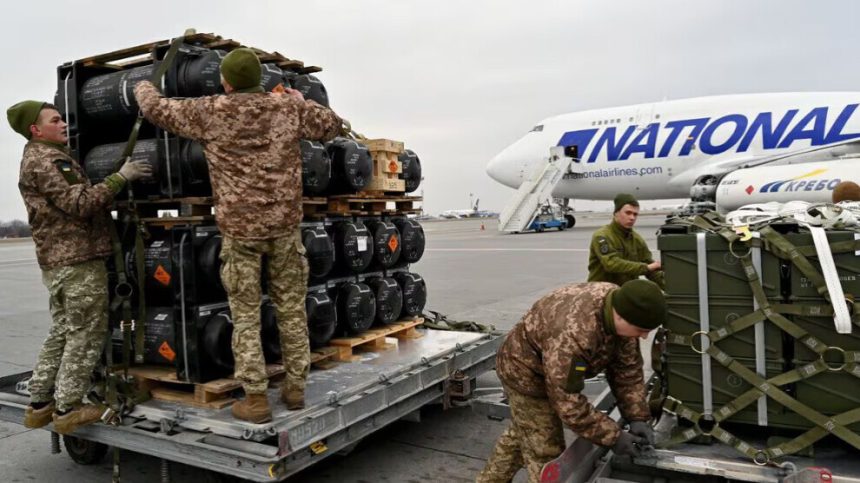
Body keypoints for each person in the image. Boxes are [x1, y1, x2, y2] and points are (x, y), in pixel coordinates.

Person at [134, 48, 342, 423]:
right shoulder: (288, 109)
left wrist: (143, 86)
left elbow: (157, 110)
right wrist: (301, 100)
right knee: (292, 311)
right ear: (259, 79)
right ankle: (295, 389)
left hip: (241, 233)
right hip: (284, 229)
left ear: (226, 82)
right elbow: (333, 126)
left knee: (245, 316)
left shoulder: (211, 111)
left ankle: (256, 399)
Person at [7, 100, 151, 435]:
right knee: (85, 331)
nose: (63, 124)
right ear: (35, 129)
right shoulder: (48, 161)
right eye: (55, 120)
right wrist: (120, 178)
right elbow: (80, 203)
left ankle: (40, 403)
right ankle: (69, 407)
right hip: (77, 260)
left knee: (62, 330)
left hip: (60, 261)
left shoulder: (38, 157)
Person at [476, 279, 666, 483]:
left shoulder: (622, 305)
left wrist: (637, 417)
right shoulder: (575, 333)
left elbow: (627, 371)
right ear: (619, 316)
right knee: (546, 452)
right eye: (641, 330)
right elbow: (568, 403)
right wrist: (614, 437)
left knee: (526, 431)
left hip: (554, 367)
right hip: (526, 373)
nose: (644, 336)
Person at [587, 193, 664, 289]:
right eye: (628, 213)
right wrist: (646, 268)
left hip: (625, 292)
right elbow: (611, 264)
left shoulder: (636, 239)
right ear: (616, 213)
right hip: (601, 291)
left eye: (635, 214)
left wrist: (671, 286)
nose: (632, 218)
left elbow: (650, 268)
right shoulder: (602, 236)